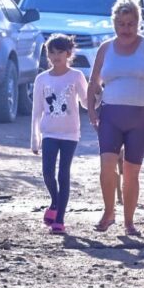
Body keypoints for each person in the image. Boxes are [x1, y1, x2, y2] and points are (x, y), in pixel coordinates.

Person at [87, 0, 144, 236]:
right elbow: (94, 81)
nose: (126, 29)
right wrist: (92, 111)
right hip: (111, 116)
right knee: (106, 167)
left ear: (138, 23)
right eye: (121, 24)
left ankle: (129, 221)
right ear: (114, 24)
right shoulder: (105, 48)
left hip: (143, 119)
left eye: (131, 24)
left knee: (131, 171)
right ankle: (108, 211)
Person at [31, 34, 89, 234]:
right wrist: (35, 139)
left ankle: (60, 220)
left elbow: (86, 103)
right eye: (51, 52)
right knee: (47, 172)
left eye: (60, 52)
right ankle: (54, 203)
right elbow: (36, 110)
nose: (56, 56)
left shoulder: (76, 76)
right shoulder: (42, 79)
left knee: (63, 174)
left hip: (70, 134)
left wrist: (99, 95)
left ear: (68, 53)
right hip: (49, 132)